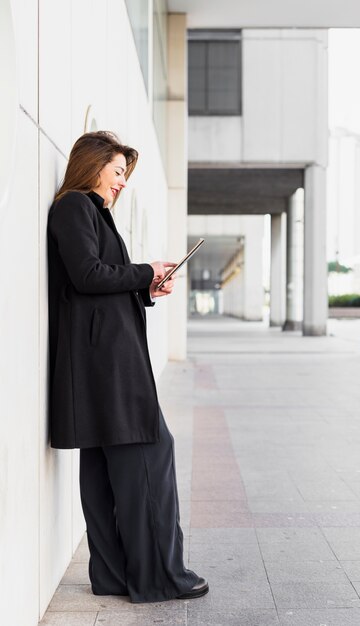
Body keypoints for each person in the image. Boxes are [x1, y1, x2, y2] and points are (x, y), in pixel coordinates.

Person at [47, 130, 208, 603]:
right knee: (150, 457)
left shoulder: (89, 213)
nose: (122, 182)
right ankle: (160, 576)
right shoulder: (74, 207)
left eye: (125, 174)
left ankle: (114, 576)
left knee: (103, 469)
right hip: (109, 368)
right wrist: (145, 272)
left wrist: (145, 288)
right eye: (117, 171)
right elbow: (87, 274)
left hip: (102, 365)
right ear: (92, 165)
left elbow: (96, 283)